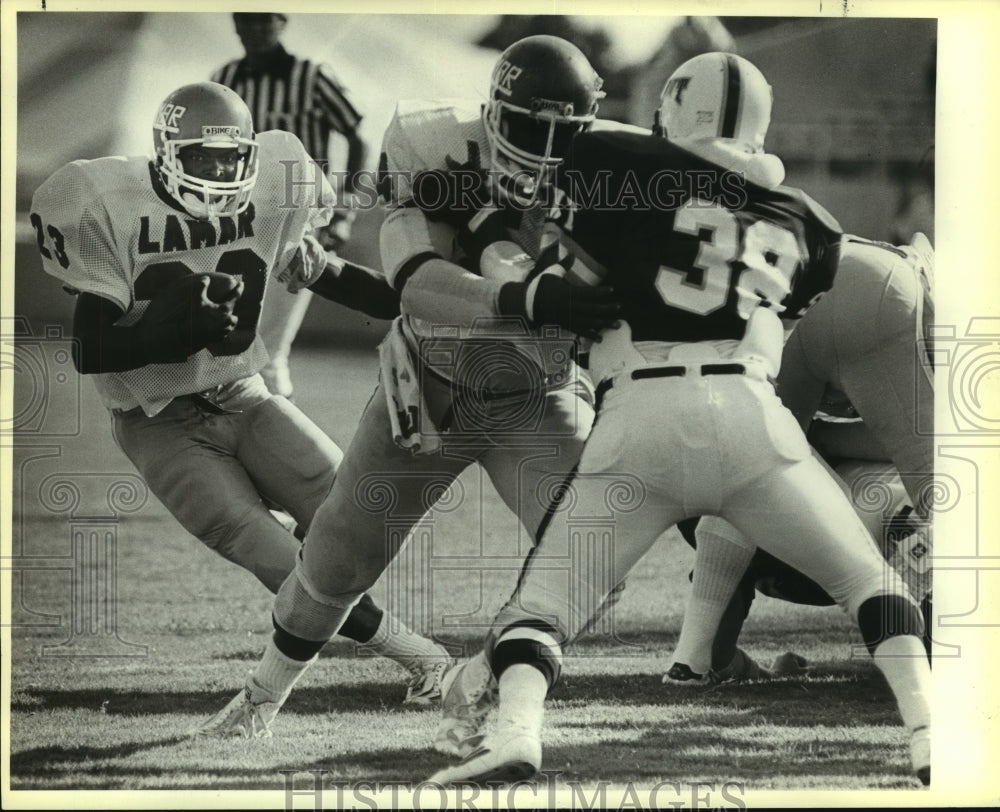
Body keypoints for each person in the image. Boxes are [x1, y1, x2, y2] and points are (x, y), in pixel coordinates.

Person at [426, 52, 931, 787]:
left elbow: (563, 287)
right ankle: (925, 734)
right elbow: (765, 312)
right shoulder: (808, 221)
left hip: (640, 410)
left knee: (541, 607)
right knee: (871, 583)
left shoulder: (606, 158)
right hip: (752, 414)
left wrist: (497, 245)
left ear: (673, 110)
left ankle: (515, 736)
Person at [195, 36, 623, 744]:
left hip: (537, 392)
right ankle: (259, 702)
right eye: (525, 128)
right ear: (492, 114)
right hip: (435, 382)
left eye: (563, 135)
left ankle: (482, 676)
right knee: (334, 558)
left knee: (596, 559)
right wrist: (527, 298)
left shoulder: (616, 167)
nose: (545, 151)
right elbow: (413, 281)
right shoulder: (432, 142)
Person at [29, 81, 450, 708]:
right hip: (158, 419)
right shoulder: (106, 200)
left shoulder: (275, 189)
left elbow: (331, 276)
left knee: (363, 515)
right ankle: (423, 658)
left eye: (230, 158)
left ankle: (406, 650)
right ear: (167, 153)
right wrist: (172, 332)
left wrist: (419, 295)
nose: (219, 170)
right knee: (277, 556)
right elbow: (90, 349)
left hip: (241, 393)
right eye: (202, 157)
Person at [667, 232, 935, 685]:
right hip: (873, 286)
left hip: (698, 394)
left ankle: (693, 658)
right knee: (929, 502)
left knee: (759, 453)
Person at [212, 12, 370, 399]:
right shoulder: (224, 79)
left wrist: (344, 210)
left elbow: (357, 137)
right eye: (247, 20)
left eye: (265, 20)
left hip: (297, 222)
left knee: (268, 350)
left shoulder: (312, 76)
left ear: (282, 23)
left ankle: (278, 447)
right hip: (239, 221)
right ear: (235, 25)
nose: (256, 29)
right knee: (230, 341)